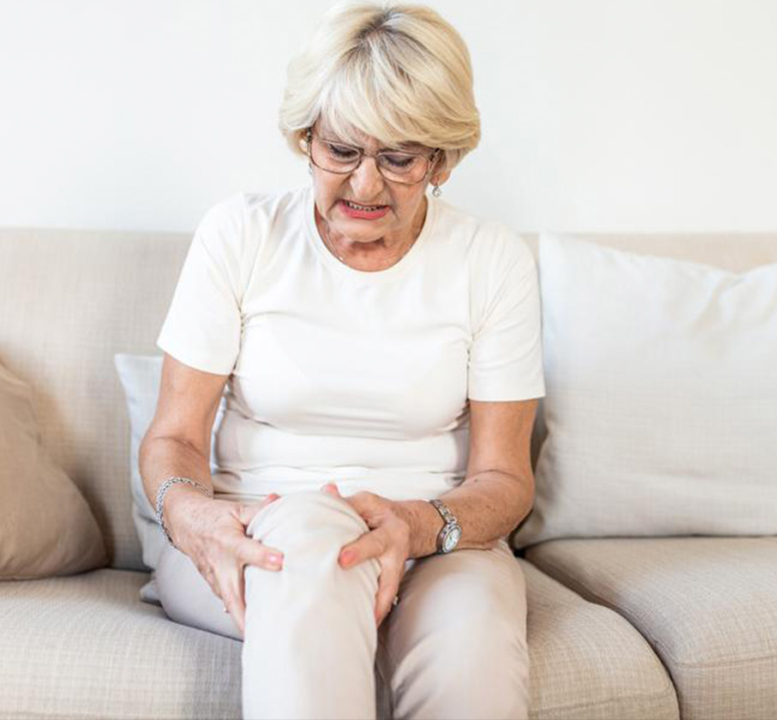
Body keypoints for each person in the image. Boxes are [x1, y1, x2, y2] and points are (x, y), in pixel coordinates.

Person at [138, 2, 543, 718]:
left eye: (399, 159)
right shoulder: (241, 234)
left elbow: (505, 480)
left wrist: (417, 524)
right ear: (306, 140)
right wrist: (193, 517)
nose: (364, 186)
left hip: (435, 541)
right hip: (260, 529)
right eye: (342, 151)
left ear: (442, 160)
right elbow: (174, 436)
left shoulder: (491, 260)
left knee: (472, 646)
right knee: (312, 547)